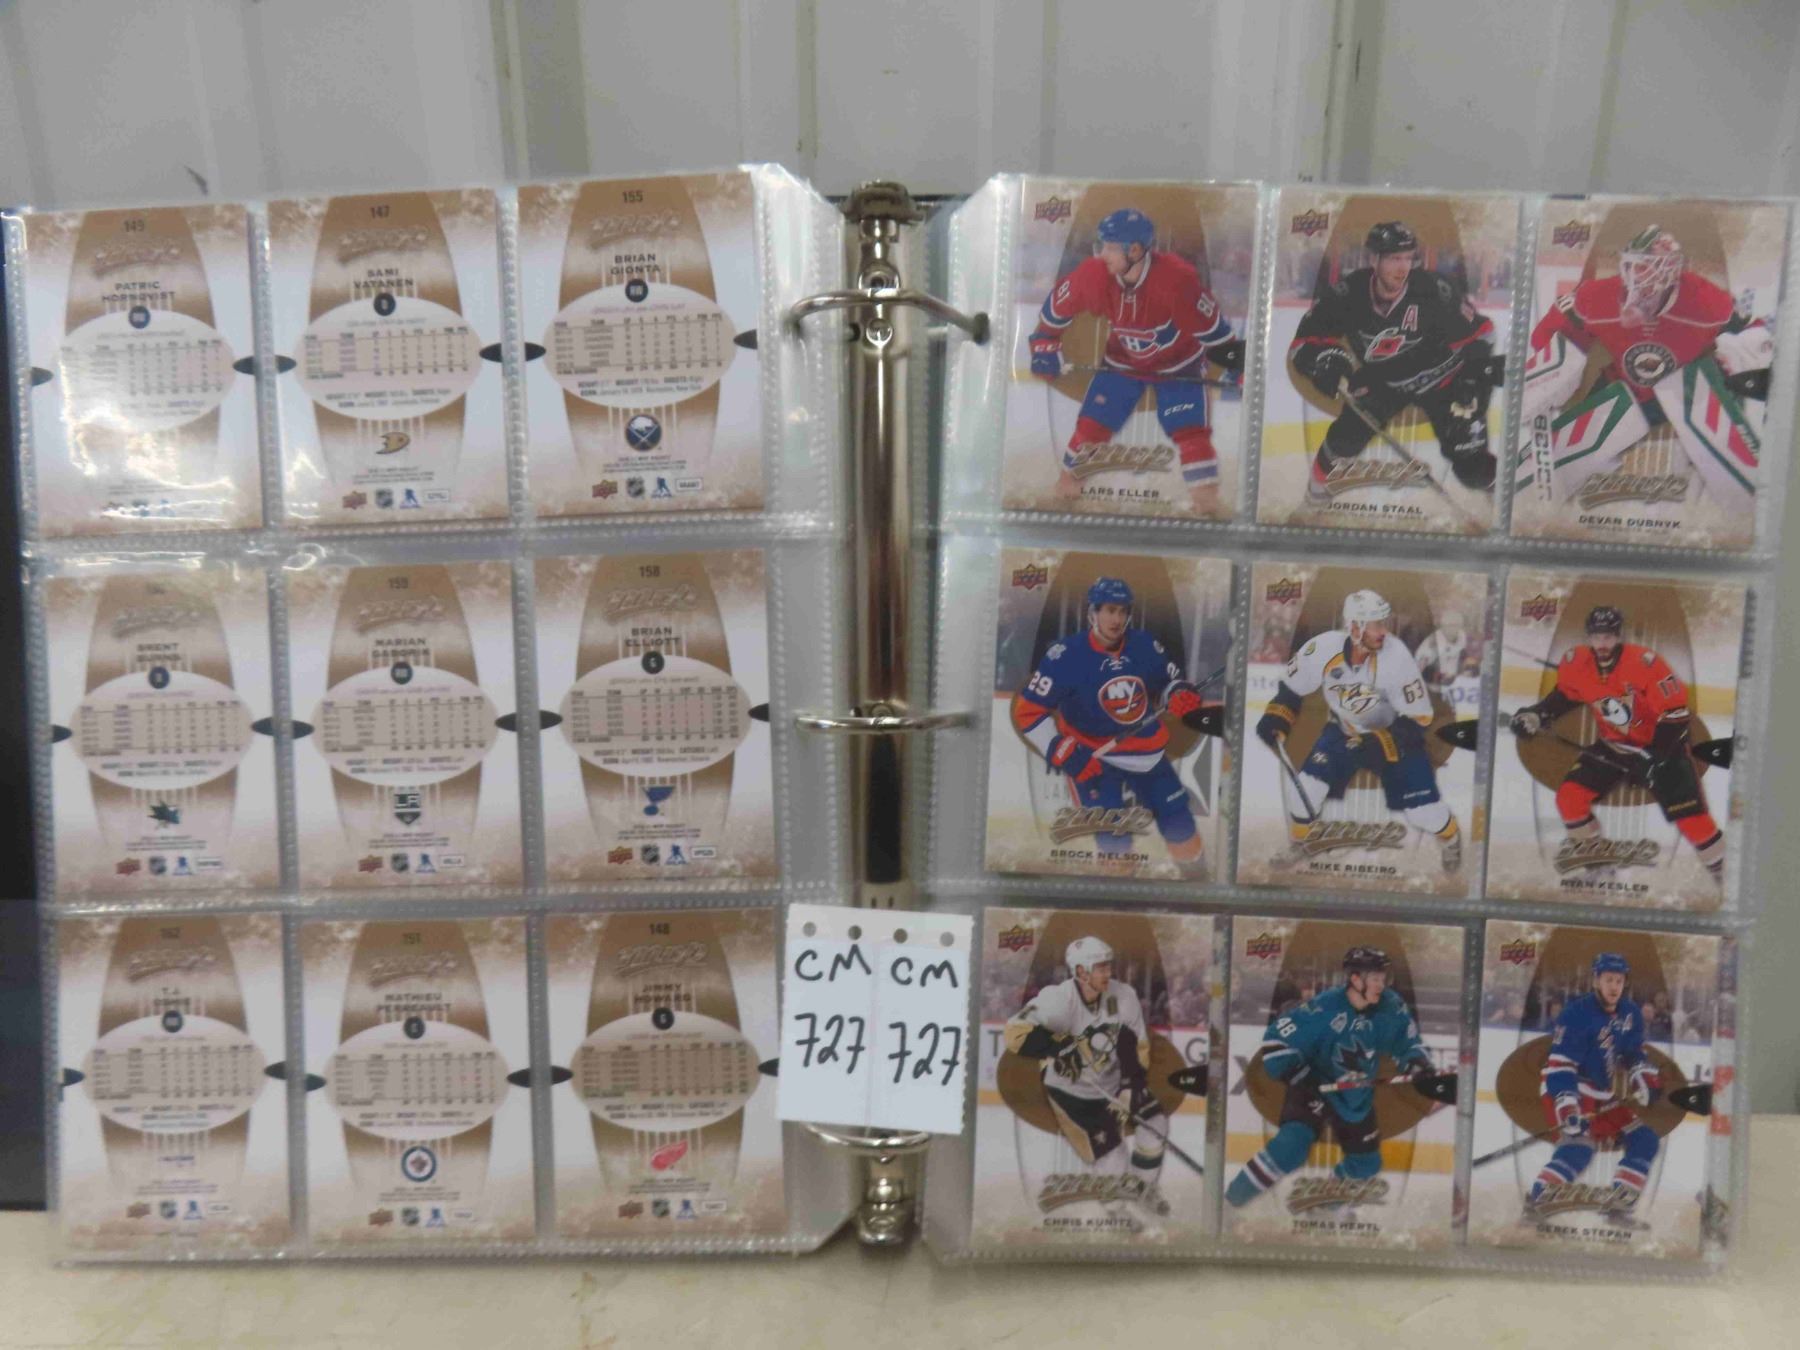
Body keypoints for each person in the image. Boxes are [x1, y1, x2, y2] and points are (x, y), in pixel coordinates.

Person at [1517, 225, 1770, 509]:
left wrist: (1747, 368)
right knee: (1541, 472)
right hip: (1625, 390)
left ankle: (1738, 504)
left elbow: (1753, 334)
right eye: (1633, 266)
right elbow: (1549, 341)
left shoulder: (1704, 299)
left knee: (1741, 490)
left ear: (1671, 271)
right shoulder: (1598, 296)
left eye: (1647, 267)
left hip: (1686, 391)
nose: (1637, 277)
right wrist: (1540, 379)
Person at [1029, 208, 1245, 515]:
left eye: (1110, 247)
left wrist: (1237, 367)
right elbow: (1052, 316)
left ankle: (1207, 506)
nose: (1102, 255)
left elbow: (1218, 336)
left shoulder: (1176, 282)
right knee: (1091, 427)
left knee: (1191, 434)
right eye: (1101, 245)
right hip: (1122, 364)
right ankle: (1065, 493)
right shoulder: (1093, 276)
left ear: (1135, 250)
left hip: (1178, 367)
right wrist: (1044, 349)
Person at [1510, 604, 1725, 886]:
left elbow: (1675, 714)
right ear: (1588, 637)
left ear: (1619, 636)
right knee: (1570, 799)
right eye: (1597, 636)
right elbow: (1564, 696)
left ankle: (1726, 875)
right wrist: (1536, 715)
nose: (1602, 643)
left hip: (1663, 748)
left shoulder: (1646, 663)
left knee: (1692, 820)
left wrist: (1654, 756)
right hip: (1615, 745)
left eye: (1609, 636)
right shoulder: (1577, 662)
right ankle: (1599, 868)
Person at [1288, 221, 1498, 502]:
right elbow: (1302, 343)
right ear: (1374, 259)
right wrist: (1323, 361)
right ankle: (1313, 499)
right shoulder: (1348, 295)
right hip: (1385, 382)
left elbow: (1483, 333)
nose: (1402, 268)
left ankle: (1500, 500)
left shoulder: (1433, 290)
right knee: (1345, 438)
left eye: (1408, 258)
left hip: (1443, 378)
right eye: (1394, 259)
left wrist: (1472, 380)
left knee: (1472, 468)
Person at [1256, 588, 1462, 872]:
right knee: (1304, 788)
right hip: (1344, 731)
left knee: (1423, 812)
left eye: (1384, 623)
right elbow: (1290, 691)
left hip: (1395, 736)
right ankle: (1300, 842)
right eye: (1376, 624)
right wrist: (1276, 718)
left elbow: (1419, 719)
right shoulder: (1321, 648)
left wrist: (1375, 742)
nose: (1384, 631)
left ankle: (1451, 839)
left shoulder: (1397, 656)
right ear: (1354, 627)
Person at [1013, 577, 1209, 874]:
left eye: (1122, 611)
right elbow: (1028, 712)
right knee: (1112, 836)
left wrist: (1178, 693)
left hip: (1145, 753)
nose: (1116, 619)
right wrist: (1060, 749)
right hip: (1093, 758)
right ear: (1092, 613)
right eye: (1109, 610)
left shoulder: (1145, 645)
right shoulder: (1065, 656)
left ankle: (1197, 880)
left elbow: (1170, 683)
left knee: (1178, 821)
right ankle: (1120, 892)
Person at [1226, 947, 1438, 1208]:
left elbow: (1408, 1043)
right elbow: (1275, 1041)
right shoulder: (1324, 1008)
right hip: (1314, 1086)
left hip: (1355, 1094)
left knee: (1366, 1164)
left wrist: (1418, 1063)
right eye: (1375, 979)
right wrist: (1298, 1073)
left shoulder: (1390, 1006)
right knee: (1291, 1146)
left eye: (1383, 979)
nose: (1381, 985)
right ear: (1355, 979)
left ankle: (1324, 1210)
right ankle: (1230, 1204)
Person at [1004, 936, 1167, 1220]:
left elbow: (1136, 1046)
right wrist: (1057, 1047)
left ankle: (1142, 1188)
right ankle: (1117, 1211)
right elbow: (1014, 1033)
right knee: (1113, 1159)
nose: (1108, 973)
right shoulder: (1057, 1000)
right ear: (1081, 971)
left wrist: (1129, 1087)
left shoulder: (1124, 996)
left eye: (1109, 966)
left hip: (1113, 1082)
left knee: (1155, 1124)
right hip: (1073, 1092)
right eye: (1101, 967)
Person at [1529, 953, 1662, 1217]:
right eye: (1609, 980)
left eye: (1619, 981)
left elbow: (1632, 1052)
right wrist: (1568, 1106)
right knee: (1578, 1150)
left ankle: (1618, 1205)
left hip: (1601, 1094)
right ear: (1596, 981)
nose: (1614, 986)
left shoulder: (1630, 1014)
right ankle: (1535, 1205)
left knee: (1645, 1140)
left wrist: (1642, 1074)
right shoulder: (1575, 1014)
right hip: (1566, 1088)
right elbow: (1560, 1066)